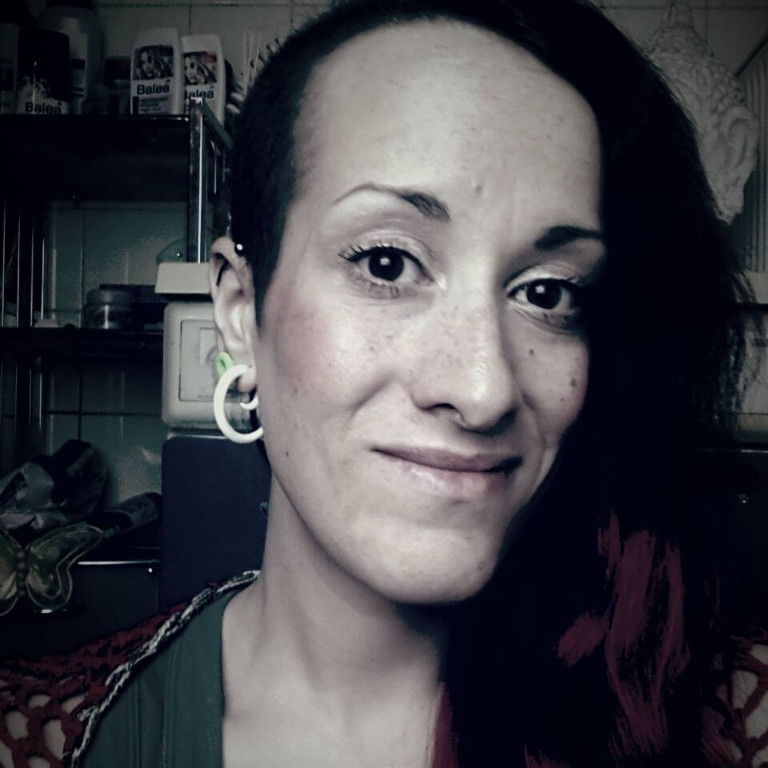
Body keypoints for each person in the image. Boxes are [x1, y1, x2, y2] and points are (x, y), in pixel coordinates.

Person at [1, 0, 765, 766]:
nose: (484, 390)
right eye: (387, 263)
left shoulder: (735, 716)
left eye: (547, 292)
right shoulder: (42, 738)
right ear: (239, 311)